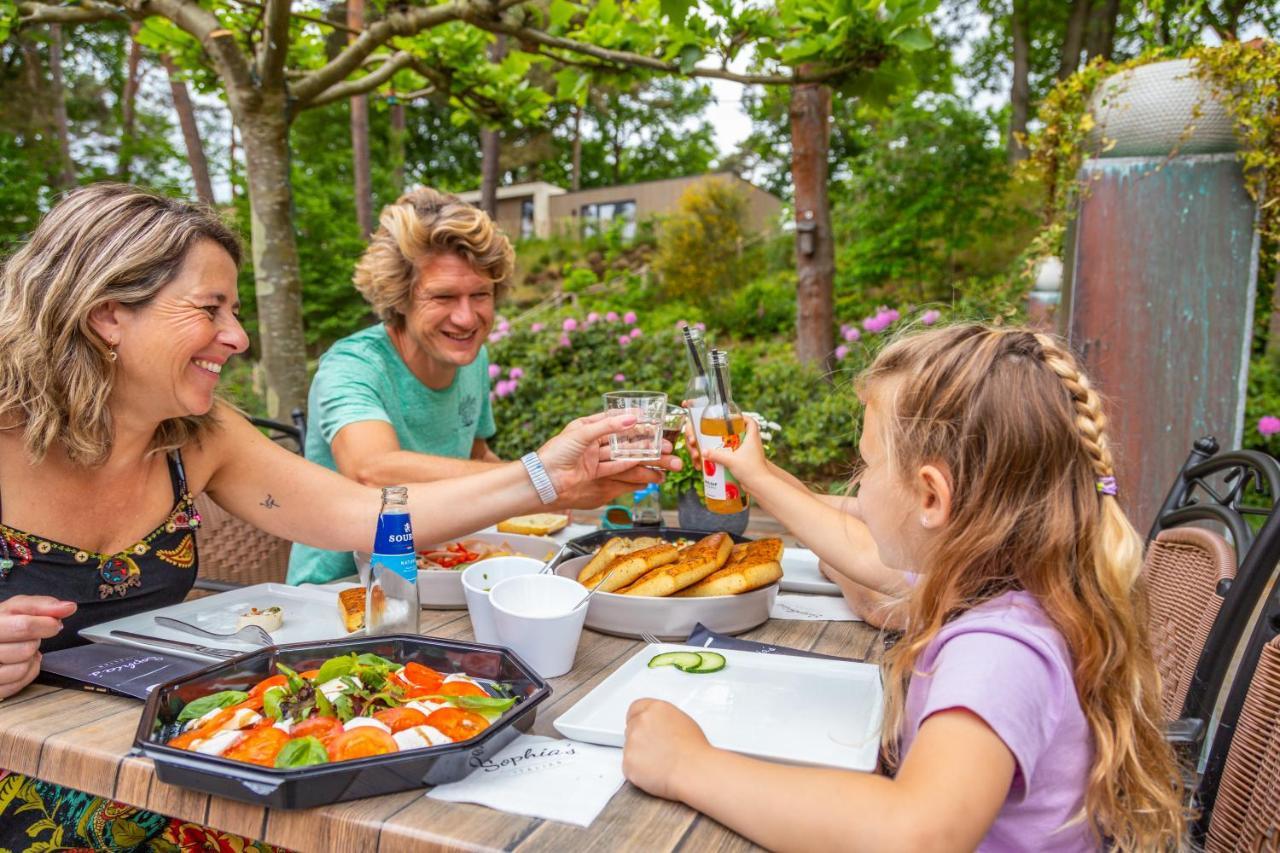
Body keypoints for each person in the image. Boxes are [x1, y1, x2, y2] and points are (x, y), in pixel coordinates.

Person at [0, 183, 675, 849]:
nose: (236, 336)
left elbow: (366, 515)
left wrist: (546, 477)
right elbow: (371, 469)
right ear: (108, 315)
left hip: (180, 765)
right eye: (211, 309)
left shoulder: (198, 433)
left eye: (233, 310)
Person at [624, 324, 1187, 851]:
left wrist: (686, 765)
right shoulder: (1010, 588)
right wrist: (758, 475)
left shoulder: (1000, 648)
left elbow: (916, 834)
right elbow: (862, 556)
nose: (858, 485)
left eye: (866, 466)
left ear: (931, 498)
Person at [288, 187, 636, 585]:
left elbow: (478, 455)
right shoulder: (352, 365)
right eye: (444, 296)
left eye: (480, 294)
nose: (467, 318)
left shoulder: (471, 358)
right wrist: (543, 482)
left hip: (442, 570)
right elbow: (373, 470)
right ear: (399, 297)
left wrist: (564, 484)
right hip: (341, 590)